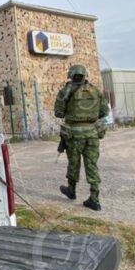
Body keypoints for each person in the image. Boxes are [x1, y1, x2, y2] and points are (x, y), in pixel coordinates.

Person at [54, 65, 109, 211]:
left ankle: (71, 191)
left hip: (73, 134)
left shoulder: (65, 91)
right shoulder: (95, 91)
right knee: (92, 165)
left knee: (74, 162)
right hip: (92, 133)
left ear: (71, 75)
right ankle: (94, 199)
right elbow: (104, 112)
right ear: (85, 75)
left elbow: (58, 113)